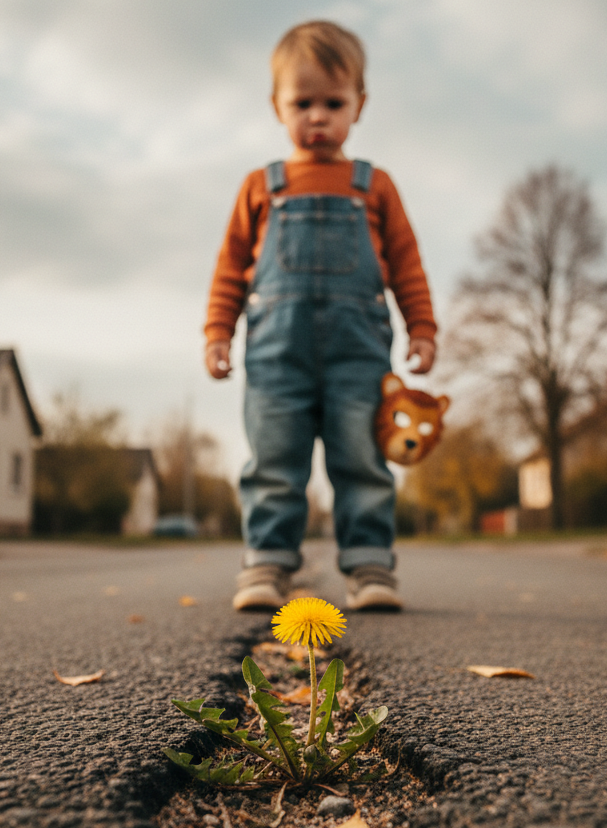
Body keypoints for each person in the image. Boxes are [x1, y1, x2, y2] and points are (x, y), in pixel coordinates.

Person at [203, 20, 437, 612]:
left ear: (359, 106)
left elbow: (407, 263)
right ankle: (266, 565)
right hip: (276, 356)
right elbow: (231, 268)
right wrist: (217, 333)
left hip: (358, 355)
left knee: (361, 460)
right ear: (276, 106)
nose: (317, 117)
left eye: (333, 103)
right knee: (274, 460)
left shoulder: (374, 185)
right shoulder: (262, 185)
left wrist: (423, 328)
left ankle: (369, 566)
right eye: (302, 103)